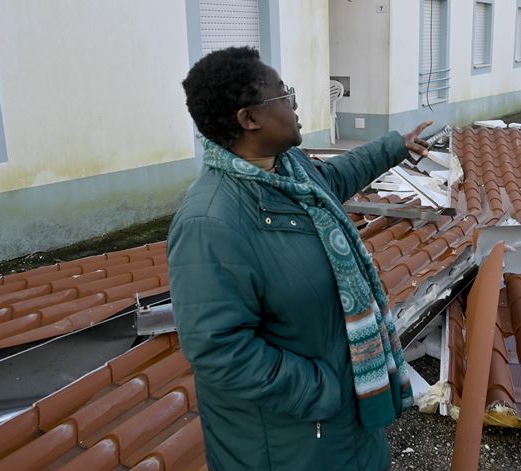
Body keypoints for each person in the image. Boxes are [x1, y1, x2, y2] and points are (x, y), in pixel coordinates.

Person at [169, 46, 431, 470]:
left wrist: (394, 147)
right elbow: (220, 350)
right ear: (249, 119)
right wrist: (324, 389)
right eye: (283, 95)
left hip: (343, 423)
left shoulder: (289, 170)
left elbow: (334, 177)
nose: (294, 104)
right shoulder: (210, 222)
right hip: (293, 440)